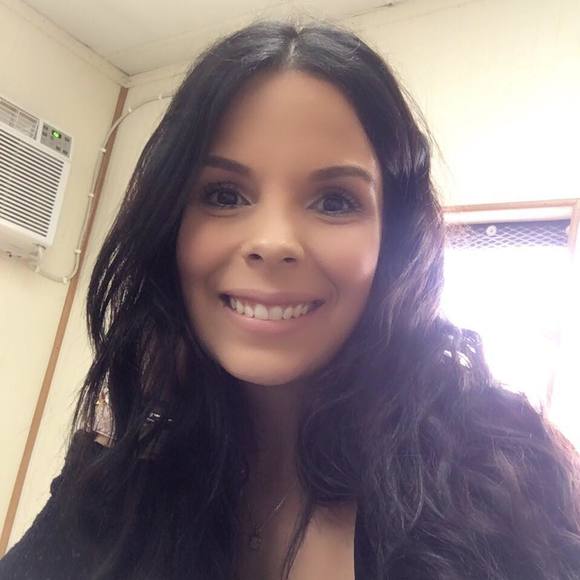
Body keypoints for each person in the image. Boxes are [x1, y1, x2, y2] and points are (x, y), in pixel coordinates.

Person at [1, 18, 580, 580]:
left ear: (393, 239)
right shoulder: (119, 477)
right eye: (224, 194)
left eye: (335, 201)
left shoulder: (501, 488)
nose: (273, 242)